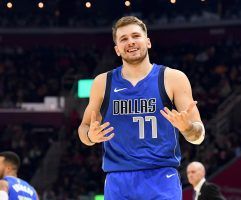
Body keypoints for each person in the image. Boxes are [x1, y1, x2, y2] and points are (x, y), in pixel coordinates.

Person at [78, 16, 205, 199]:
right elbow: (83, 129)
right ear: (117, 50)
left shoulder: (173, 78)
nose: (130, 42)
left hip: (161, 177)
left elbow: (199, 136)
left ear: (148, 42)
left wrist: (188, 128)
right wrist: (91, 136)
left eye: (135, 36)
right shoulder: (102, 82)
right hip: (118, 180)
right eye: (123, 39)